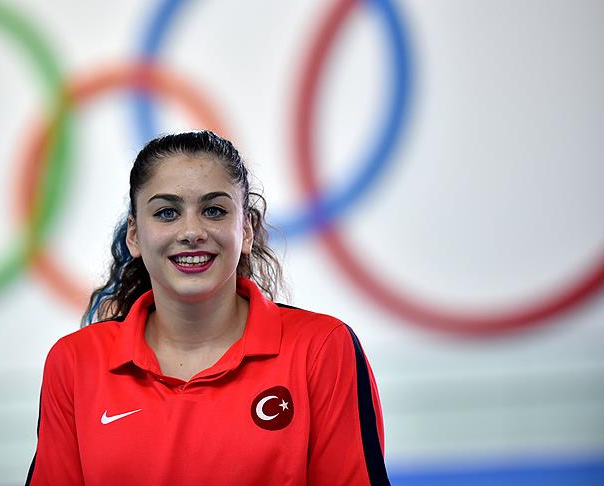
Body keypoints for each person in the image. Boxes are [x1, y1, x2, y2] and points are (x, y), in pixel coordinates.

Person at [26, 131, 389, 485]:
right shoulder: (75, 362)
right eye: (167, 213)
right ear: (134, 235)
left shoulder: (322, 349)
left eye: (213, 211)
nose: (191, 232)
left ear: (246, 231)